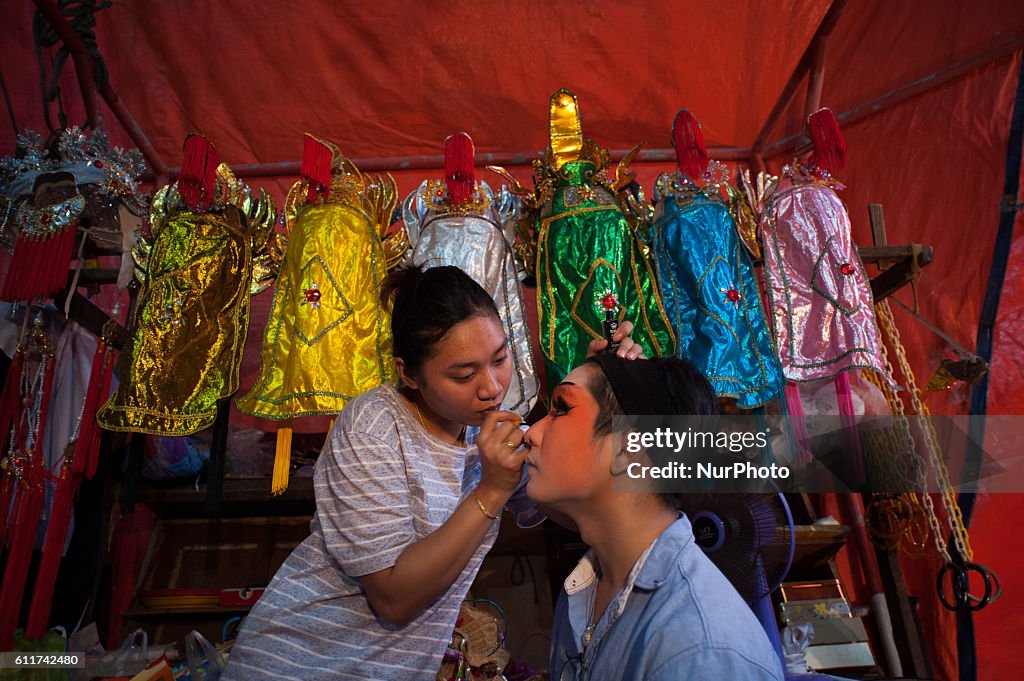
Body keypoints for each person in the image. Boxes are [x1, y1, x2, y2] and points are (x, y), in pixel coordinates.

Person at [222, 264, 643, 681]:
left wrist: (603, 391)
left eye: (500, 359)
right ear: (408, 372)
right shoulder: (374, 426)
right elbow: (393, 597)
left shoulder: (491, 427)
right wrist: (492, 490)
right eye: (464, 374)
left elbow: (581, 503)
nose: (492, 387)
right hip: (298, 665)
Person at [524, 354, 784, 680]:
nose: (531, 433)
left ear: (629, 447)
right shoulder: (584, 590)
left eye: (561, 409)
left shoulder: (701, 650)